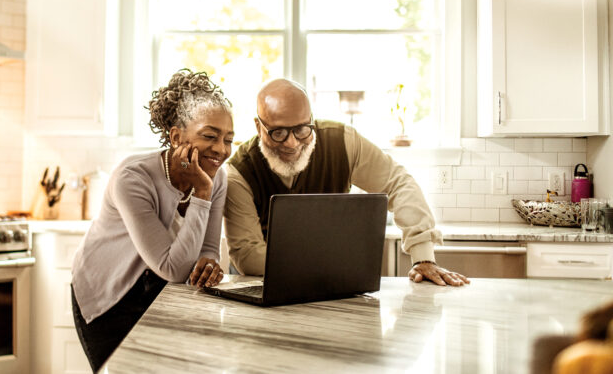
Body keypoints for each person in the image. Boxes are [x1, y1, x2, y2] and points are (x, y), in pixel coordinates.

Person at [224, 78, 469, 286]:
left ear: (312, 119)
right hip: (261, 285)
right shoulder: (238, 172)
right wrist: (335, 262)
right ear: (258, 126)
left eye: (302, 129)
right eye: (278, 132)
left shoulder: (344, 142)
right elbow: (247, 256)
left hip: (331, 283)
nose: (292, 143)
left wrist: (423, 256)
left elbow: (398, 183)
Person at [71, 69, 234, 373]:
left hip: (161, 294)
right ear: (176, 137)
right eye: (210, 136)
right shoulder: (132, 178)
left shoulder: (217, 177)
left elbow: (207, 250)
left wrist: (209, 263)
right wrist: (201, 192)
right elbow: (173, 268)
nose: (221, 150)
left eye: (228, 139)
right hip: (109, 296)